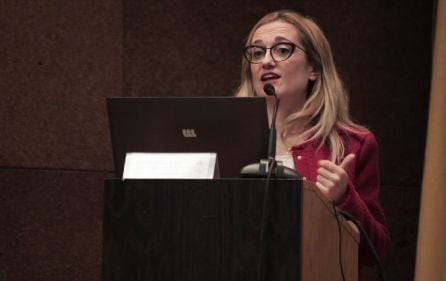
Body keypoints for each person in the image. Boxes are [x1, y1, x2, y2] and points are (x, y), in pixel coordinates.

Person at [235, 10, 389, 280]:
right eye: (257, 52)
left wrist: (345, 198)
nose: (267, 60)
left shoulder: (353, 145)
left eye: (282, 50)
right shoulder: (227, 138)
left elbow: (375, 250)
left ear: (314, 69)